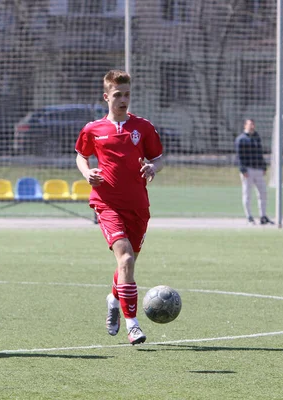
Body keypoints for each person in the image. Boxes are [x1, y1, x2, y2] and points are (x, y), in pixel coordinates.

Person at [75, 70, 164, 345]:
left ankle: (113, 299)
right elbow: (81, 155)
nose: (123, 100)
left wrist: (152, 167)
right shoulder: (93, 129)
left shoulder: (143, 127)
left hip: (138, 205)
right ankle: (133, 325)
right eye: (117, 95)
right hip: (107, 204)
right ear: (106, 97)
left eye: (127, 94)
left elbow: (158, 158)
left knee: (129, 263)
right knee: (125, 259)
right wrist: (87, 172)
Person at [235, 119, 274, 225]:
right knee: (247, 193)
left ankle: (263, 216)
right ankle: (249, 217)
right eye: (249, 124)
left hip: (258, 169)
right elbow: (239, 156)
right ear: (245, 126)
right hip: (248, 169)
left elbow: (260, 153)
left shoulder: (256, 137)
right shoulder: (241, 139)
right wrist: (243, 169)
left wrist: (263, 166)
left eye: (253, 124)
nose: (252, 126)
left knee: (263, 193)